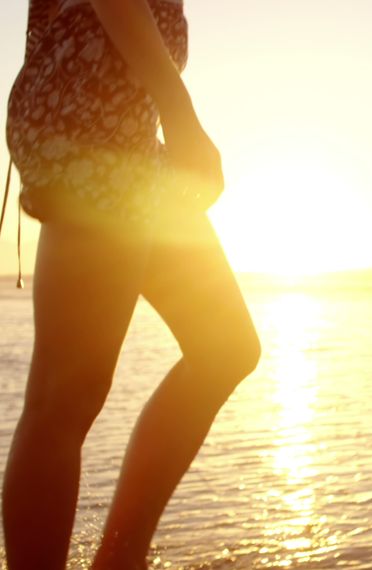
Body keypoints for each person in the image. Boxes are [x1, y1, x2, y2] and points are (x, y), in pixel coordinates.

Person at [3, 0, 261, 567]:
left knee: (225, 348)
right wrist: (181, 113)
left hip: (128, 134)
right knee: (64, 396)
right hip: (90, 121)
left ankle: (120, 558)